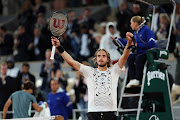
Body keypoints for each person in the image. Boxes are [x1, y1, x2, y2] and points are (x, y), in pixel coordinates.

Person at [51, 30, 133, 120]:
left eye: (103, 56)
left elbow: (124, 56)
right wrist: (59, 47)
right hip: (93, 114)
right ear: (96, 59)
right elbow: (71, 62)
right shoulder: (89, 72)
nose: (101, 58)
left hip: (109, 113)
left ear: (108, 59)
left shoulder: (114, 71)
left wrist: (129, 42)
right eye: (99, 56)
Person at [119, 16, 157, 88]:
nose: (130, 25)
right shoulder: (136, 32)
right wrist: (119, 40)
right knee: (130, 57)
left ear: (136, 23)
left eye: (131, 23)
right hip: (140, 52)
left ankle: (138, 79)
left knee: (139, 58)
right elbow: (133, 44)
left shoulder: (146, 30)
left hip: (149, 53)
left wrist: (137, 45)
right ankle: (132, 79)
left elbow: (152, 44)